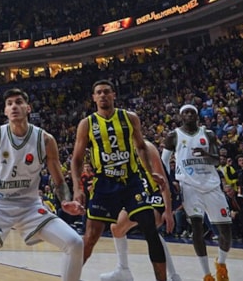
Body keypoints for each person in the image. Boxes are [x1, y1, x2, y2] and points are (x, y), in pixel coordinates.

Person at [0, 88, 84, 281]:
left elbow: (59, 180)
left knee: (75, 242)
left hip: (30, 206)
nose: (14, 106)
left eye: (19, 102)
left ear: (28, 108)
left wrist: (65, 201)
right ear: (5, 111)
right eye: (9, 103)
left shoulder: (45, 140)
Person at [70, 80, 167, 281]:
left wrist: (151, 172)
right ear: (93, 98)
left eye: (106, 91)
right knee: (90, 237)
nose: (103, 95)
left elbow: (141, 147)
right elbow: (77, 159)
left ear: (114, 94)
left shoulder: (129, 118)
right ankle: (70, 278)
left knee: (150, 229)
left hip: (131, 182)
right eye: (99, 92)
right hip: (104, 184)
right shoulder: (87, 124)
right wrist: (77, 188)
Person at [161, 104, 233, 281]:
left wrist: (205, 154)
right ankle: (206, 274)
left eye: (192, 112)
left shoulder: (208, 134)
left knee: (226, 231)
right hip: (189, 186)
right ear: (180, 116)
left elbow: (217, 161)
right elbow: (163, 162)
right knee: (197, 228)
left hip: (212, 186)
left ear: (197, 115)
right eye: (185, 112)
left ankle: (221, 264)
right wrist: (169, 183)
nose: (189, 115)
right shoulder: (173, 136)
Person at [100, 140, 180, 281]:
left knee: (149, 224)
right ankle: (123, 270)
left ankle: (173, 275)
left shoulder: (147, 148)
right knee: (116, 227)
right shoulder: (120, 150)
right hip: (139, 193)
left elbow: (163, 181)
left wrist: (168, 211)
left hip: (158, 193)